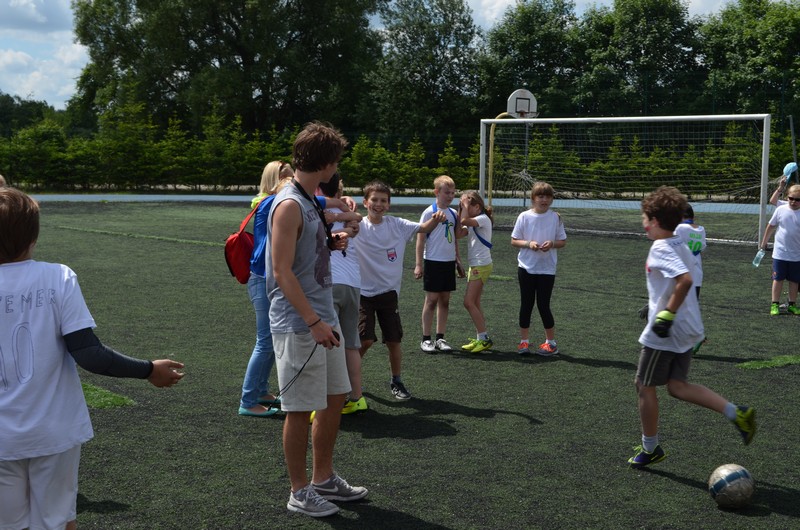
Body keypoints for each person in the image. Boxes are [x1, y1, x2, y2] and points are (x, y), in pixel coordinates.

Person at [0, 187, 184, 530]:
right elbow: (90, 354)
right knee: (56, 522)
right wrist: (148, 370)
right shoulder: (57, 277)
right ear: (33, 236)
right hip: (53, 431)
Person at [265, 122, 367, 518]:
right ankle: (299, 491)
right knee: (298, 407)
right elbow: (281, 271)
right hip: (299, 323)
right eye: (336, 161)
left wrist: (331, 242)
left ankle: (323, 479)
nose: (336, 168)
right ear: (326, 164)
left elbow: (305, 251)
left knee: (335, 396)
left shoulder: (308, 199)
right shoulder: (289, 204)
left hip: (324, 315)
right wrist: (312, 321)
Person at [628, 185, 756, 469]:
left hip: (668, 331)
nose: (643, 223)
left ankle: (651, 448)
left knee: (643, 384)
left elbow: (684, 280)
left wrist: (666, 314)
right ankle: (737, 413)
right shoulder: (679, 242)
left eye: (644, 218)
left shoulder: (661, 247)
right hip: (689, 328)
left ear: (654, 220)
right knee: (677, 386)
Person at [355, 180, 445, 401]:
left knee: (394, 341)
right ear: (365, 202)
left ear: (389, 204)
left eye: (383, 201)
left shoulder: (397, 224)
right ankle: (348, 377)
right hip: (362, 294)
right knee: (365, 340)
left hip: (388, 294)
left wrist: (436, 218)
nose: (378, 204)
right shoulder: (357, 226)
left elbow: (423, 228)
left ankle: (396, 381)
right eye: (374, 200)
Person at [238, 160, 294, 417]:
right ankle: (248, 400)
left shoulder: (267, 201)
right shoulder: (273, 202)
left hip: (264, 277)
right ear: (276, 181)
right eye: (287, 178)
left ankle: (260, 391)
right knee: (265, 341)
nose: (292, 181)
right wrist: (338, 204)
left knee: (270, 340)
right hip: (263, 278)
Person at [318, 172, 365, 414]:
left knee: (328, 343)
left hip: (331, 283)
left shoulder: (317, 211)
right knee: (351, 344)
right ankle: (357, 397)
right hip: (353, 284)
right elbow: (357, 219)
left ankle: (325, 401)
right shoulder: (349, 214)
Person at [510, 181, 567, 356]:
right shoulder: (524, 216)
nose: (544, 200)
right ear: (533, 198)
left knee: (543, 305)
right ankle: (524, 342)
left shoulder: (555, 217)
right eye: (541, 196)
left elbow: (562, 241)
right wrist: (529, 244)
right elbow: (514, 240)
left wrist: (552, 244)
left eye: (548, 196)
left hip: (547, 269)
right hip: (526, 267)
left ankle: (551, 343)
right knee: (526, 304)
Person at [415, 175, 466, 353]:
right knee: (431, 301)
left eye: (453, 193)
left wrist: (458, 260)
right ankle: (426, 339)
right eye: (447, 192)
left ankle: (440, 338)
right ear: (437, 192)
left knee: (445, 300)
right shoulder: (429, 212)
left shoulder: (453, 214)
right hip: (433, 261)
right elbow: (420, 239)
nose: (450, 196)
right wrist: (418, 264)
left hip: (448, 263)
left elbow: (455, 239)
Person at [458, 190, 495, 353]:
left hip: (480, 265)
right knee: (475, 302)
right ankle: (481, 337)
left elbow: (464, 220)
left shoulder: (482, 219)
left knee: (468, 302)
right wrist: (462, 208)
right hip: (476, 265)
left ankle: (484, 338)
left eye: (467, 206)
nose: (464, 209)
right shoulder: (474, 221)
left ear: (477, 207)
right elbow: (459, 233)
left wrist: (464, 206)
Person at [759, 183, 800, 316]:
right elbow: (770, 226)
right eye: (791, 198)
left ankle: (792, 304)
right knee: (778, 279)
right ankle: (774, 304)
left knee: (794, 281)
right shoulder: (781, 209)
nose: (793, 202)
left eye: (797, 199)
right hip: (780, 253)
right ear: (787, 197)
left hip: (796, 255)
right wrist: (764, 243)